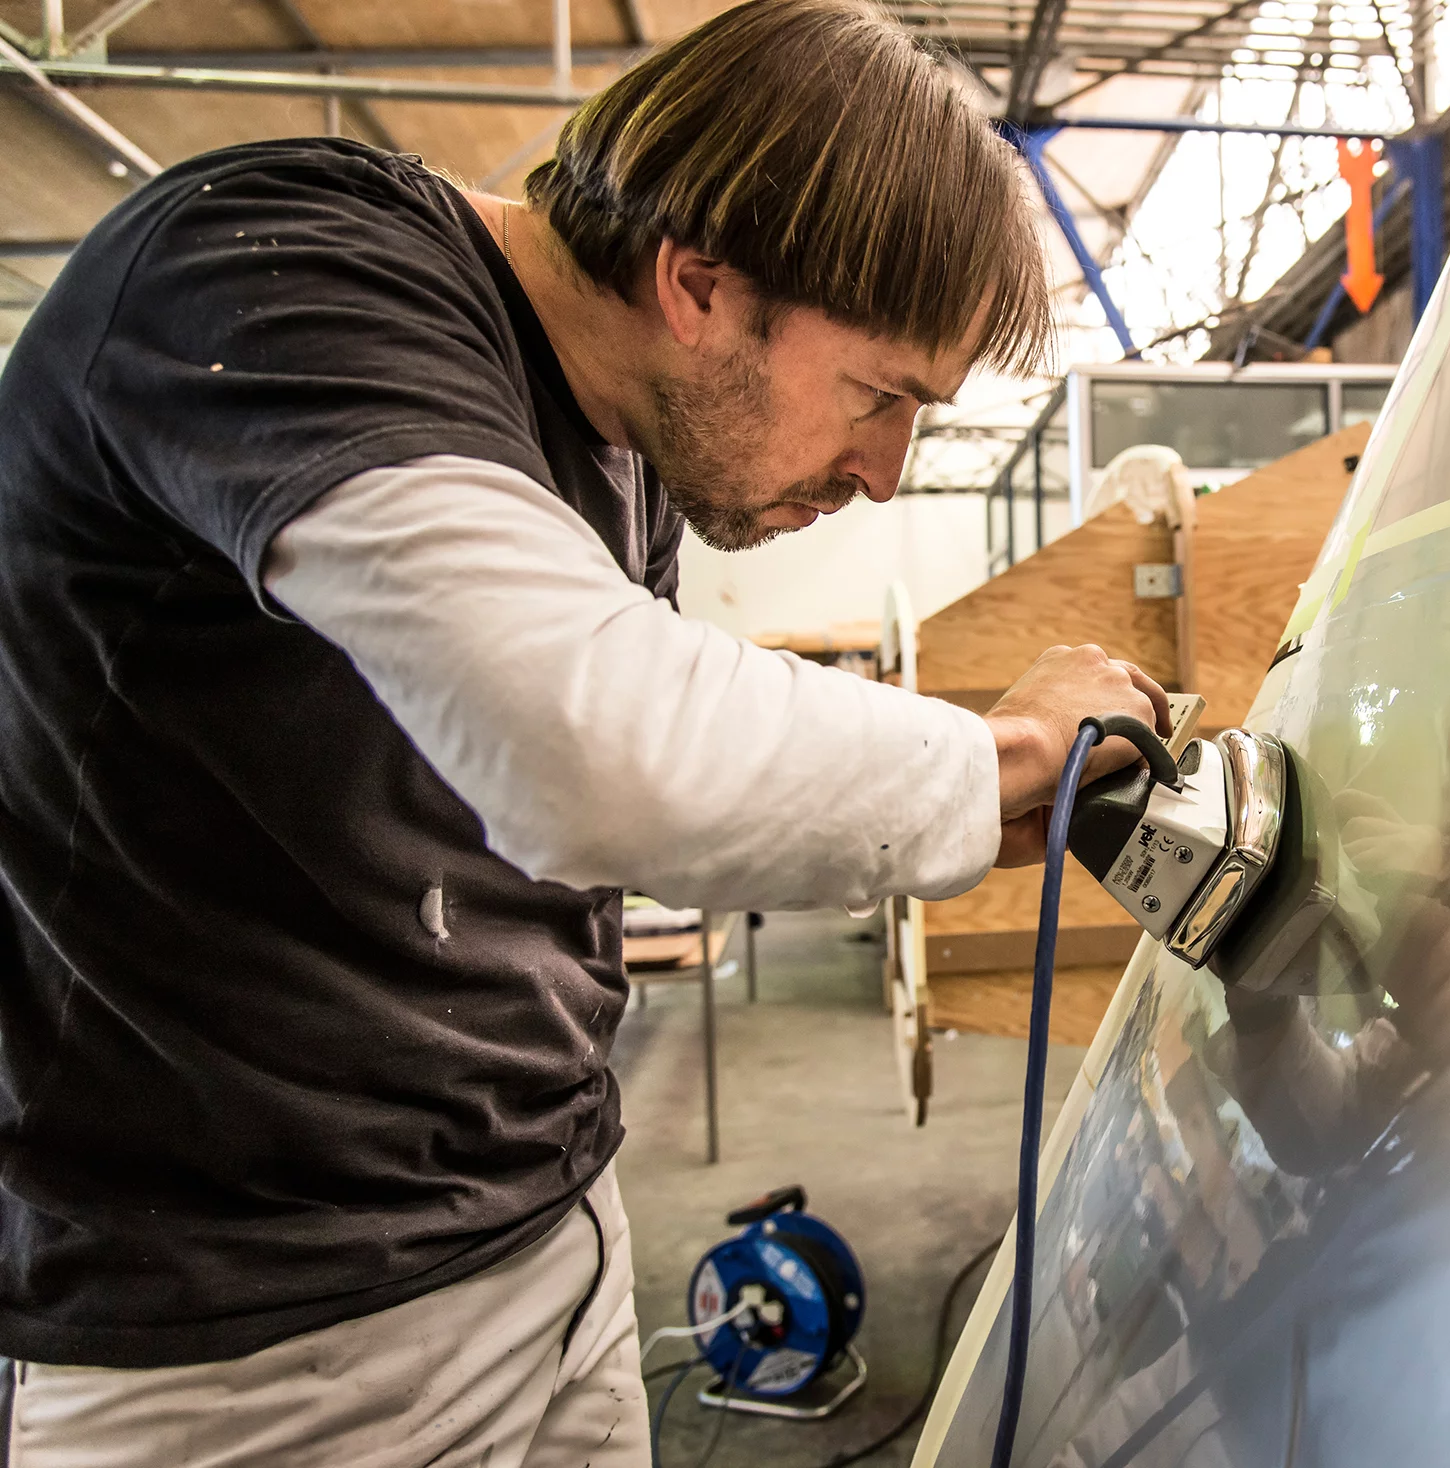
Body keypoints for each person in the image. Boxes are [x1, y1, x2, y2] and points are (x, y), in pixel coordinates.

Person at [0, 1, 1166, 1461]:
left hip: (548, 1228)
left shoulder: (620, 438)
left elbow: (595, 809)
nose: (884, 471)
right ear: (694, 281)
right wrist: (992, 753)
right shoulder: (276, 274)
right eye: (879, 395)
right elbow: (595, 748)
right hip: (253, 1339)